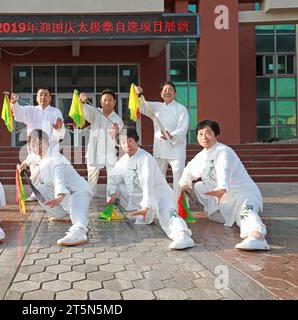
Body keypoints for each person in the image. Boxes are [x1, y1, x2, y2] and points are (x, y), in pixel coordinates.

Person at [178, 120, 270, 251]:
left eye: (208, 133)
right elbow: (188, 171)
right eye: (200, 134)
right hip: (221, 199)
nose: (204, 137)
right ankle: (222, 215)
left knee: (245, 213)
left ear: (216, 135)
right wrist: (185, 184)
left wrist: (222, 187)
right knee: (198, 186)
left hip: (242, 195)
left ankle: (257, 237)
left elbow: (224, 169)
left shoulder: (223, 151)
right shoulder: (202, 156)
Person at [107, 128, 194, 250]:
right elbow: (113, 178)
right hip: (141, 200)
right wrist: (113, 193)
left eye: (130, 141)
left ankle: (183, 236)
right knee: (118, 187)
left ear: (137, 141)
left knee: (169, 215)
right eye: (123, 142)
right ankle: (142, 212)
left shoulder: (145, 158)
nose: (127, 145)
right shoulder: (123, 160)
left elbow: (148, 182)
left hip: (160, 195)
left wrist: (146, 205)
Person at [19, 129, 93, 246]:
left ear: (47, 142)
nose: (37, 147)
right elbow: (33, 158)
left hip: (79, 191)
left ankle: (79, 232)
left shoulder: (55, 159)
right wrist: (24, 163)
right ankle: (63, 215)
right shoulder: (42, 156)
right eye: (33, 145)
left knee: (78, 214)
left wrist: (59, 195)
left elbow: (59, 180)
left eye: (39, 143)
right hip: (64, 193)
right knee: (41, 191)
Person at [10, 87, 65, 201]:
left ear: (50, 98)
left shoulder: (56, 112)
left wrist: (58, 129)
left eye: (46, 95)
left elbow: (61, 135)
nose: (43, 97)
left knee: (51, 172)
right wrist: (13, 102)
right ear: (36, 97)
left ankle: (53, 194)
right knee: (34, 172)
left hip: (50, 149)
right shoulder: (31, 110)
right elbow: (17, 112)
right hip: (34, 148)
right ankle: (35, 194)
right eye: (40, 94)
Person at [135, 82, 189, 199]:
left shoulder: (181, 109)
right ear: (161, 94)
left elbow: (183, 128)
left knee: (178, 178)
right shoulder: (156, 107)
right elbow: (143, 106)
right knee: (158, 178)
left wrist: (172, 135)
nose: (167, 92)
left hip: (176, 150)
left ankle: (180, 207)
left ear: (174, 93)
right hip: (160, 149)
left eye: (170, 90)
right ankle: (159, 202)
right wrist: (138, 94)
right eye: (165, 90)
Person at [78, 89, 124, 195]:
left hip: (111, 152)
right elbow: (83, 108)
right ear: (100, 102)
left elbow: (119, 139)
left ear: (115, 102)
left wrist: (116, 132)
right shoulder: (95, 112)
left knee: (112, 178)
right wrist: (81, 100)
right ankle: (89, 201)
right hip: (94, 151)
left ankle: (111, 200)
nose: (107, 102)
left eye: (110, 100)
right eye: (105, 100)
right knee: (92, 180)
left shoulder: (118, 120)